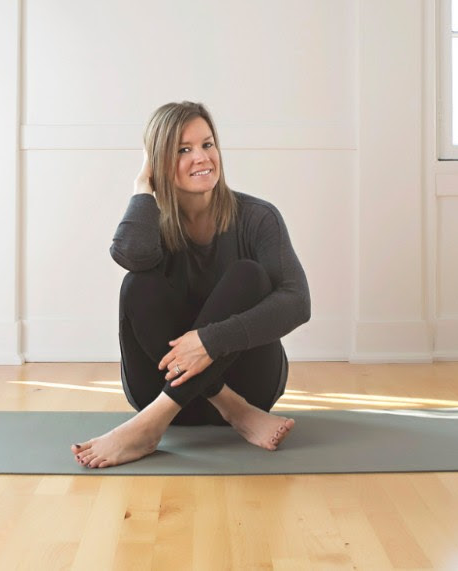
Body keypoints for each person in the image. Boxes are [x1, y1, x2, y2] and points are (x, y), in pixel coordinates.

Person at [71, 101, 311, 469]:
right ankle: (230, 410)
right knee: (138, 284)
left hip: (250, 386)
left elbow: (297, 302)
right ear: (159, 161)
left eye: (207, 144)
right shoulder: (152, 221)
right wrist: (141, 189)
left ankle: (154, 426)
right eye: (183, 150)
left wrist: (209, 341)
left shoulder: (257, 217)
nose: (202, 157)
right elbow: (130, 256)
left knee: (249, 276)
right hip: (157, 388)